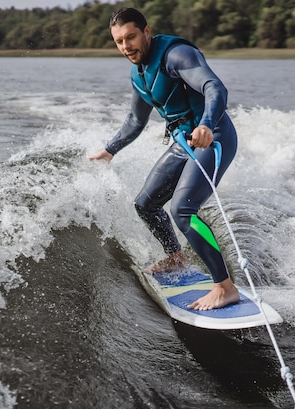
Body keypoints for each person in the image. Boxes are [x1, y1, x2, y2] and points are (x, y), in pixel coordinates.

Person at [88, 7, 239, 310]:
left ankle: (225, 287)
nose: (126, 46)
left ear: (146, 31)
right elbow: (135, 120)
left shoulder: (176, 55)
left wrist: (207, 124)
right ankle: (176, 258)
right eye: (118, 41)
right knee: (146, 203)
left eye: (131, 37)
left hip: (214, 136)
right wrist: (110, 150)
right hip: (183, 142)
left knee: (183, 210)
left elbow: (214, 86)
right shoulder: (138, 73)